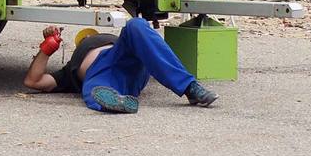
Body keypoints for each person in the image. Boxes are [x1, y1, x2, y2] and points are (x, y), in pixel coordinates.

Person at [23, 18, 218, 113]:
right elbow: (34, 80)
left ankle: (189, 87)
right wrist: (47, 47)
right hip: (105, 77)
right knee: (94, 90)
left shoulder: (116, 41)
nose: (88, 38)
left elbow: (144, 39)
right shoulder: (67, 72)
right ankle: (118, 102)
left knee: (136, 25)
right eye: (84, 38)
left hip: (127, 57)